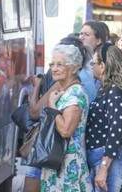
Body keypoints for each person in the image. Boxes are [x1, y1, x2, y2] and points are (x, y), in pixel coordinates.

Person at [39, 44, 93, 191]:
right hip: (56, 161)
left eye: (59, 64)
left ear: (73, 67)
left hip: (68, 165)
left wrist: (52, 106)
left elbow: (65, 130)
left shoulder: (75, 93)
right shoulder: (64, 90)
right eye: (52, 64)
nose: (54, 69)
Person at [86, 43, 122, 192]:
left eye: (93, 63)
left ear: (103, 66)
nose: (91, 67)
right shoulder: (106, 89)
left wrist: (103, 168)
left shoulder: (116, 91)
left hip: (110, 158)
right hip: (102, 156)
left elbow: (116, 129)